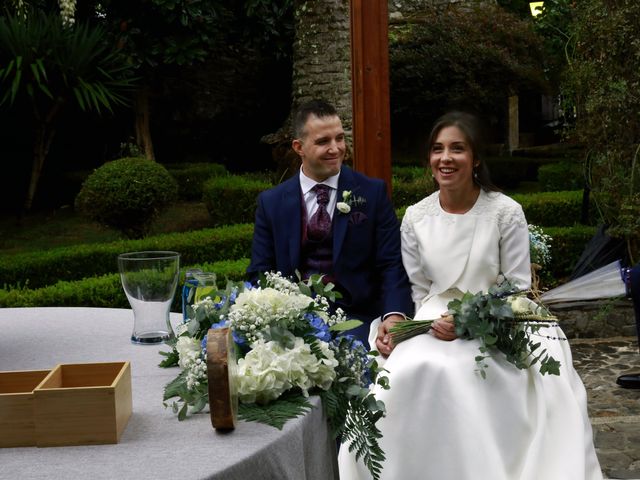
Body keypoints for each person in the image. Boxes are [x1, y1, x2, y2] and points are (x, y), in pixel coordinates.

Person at [338, 112, 603, 479]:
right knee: (409, 372)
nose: (445, 158)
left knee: (468, 374)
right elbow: (416, 288)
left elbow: (516, 285)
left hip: (497, 316)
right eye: (437, 149)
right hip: (429, 318)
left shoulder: (505, 212)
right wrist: (403, 324)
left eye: (457, 149)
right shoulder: (416, 216)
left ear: (475, 158)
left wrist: (471, 323)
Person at [247, 99, 413, 346]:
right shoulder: (271, 203)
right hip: (291, 321)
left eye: (340, 138)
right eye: (323, 141)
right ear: (298, 147)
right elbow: (260, 272)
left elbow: (391, 264)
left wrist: (394, 314)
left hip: (357, 319)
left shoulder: (372, 193)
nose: (336, 148)